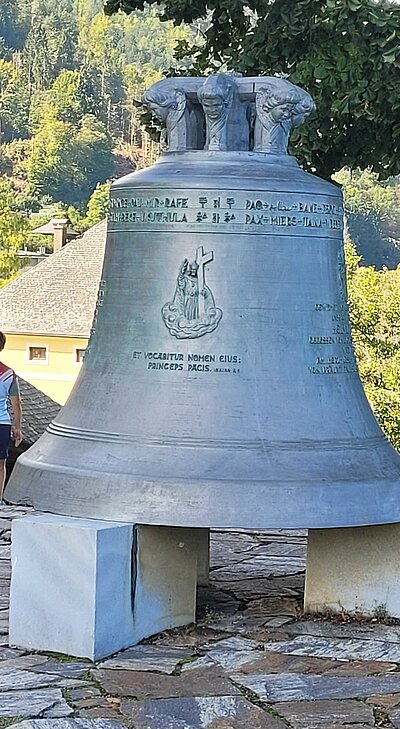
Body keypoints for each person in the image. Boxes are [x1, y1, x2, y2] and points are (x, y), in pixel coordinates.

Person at [0, 332, 22, 505]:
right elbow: (16, 404)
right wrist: (17, 428)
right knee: (1, 463)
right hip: (2, 423)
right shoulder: (9, 374)